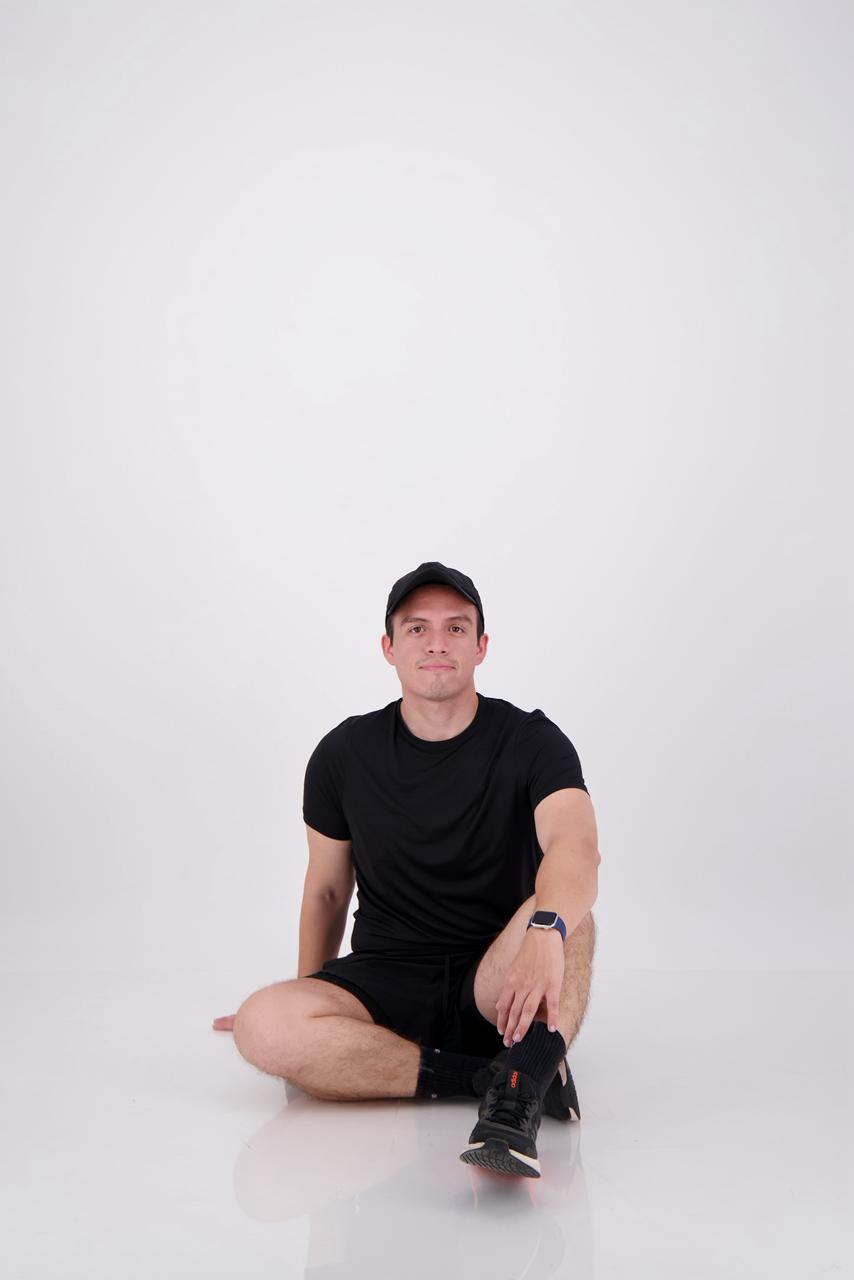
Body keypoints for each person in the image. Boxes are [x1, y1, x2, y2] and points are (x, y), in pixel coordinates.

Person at [212, 561, 600, 1179]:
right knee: (262, 1024)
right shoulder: (343, 753)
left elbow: (577, 848)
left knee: (567, 915)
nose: (437, 643)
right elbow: (327, 890)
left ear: (481, 646)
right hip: (385, 978)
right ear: (389, 648)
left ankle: (518, 1085)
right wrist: (312, 1004)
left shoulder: (531, 740)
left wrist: (546, 930)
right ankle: (499, 1076)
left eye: (456, 627)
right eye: (417, 629)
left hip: (497, 981)